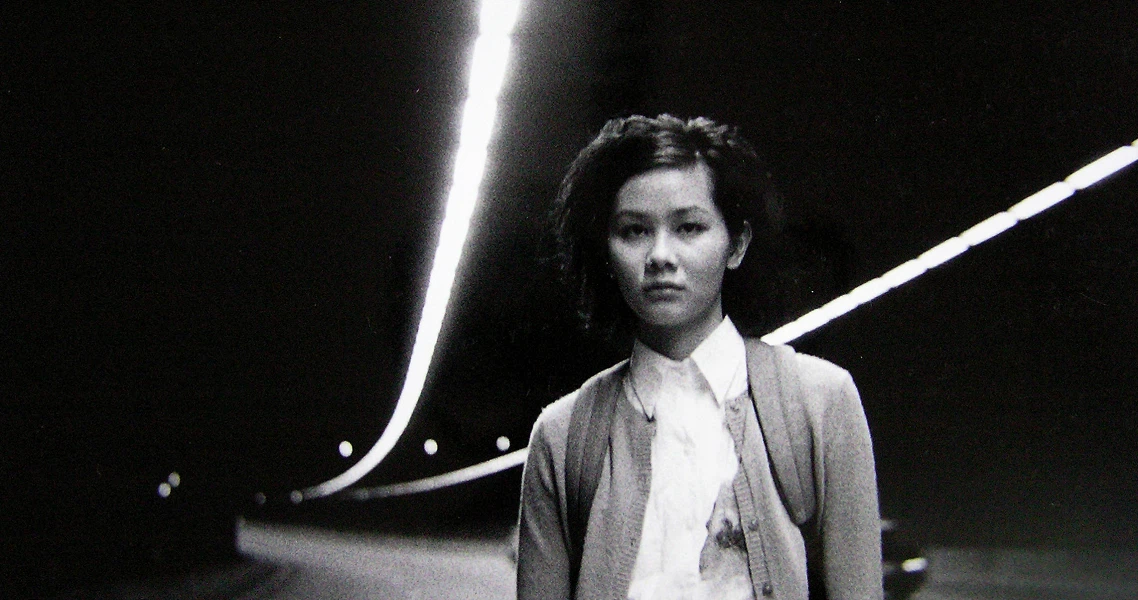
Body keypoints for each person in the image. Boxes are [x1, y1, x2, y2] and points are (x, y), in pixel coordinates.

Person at [517, 114, 881, 600]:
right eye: (633, 231)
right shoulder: (562, 437)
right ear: (605, 251)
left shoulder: (821, 403)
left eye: (689, 227)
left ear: (737, 244)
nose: (660, 255)